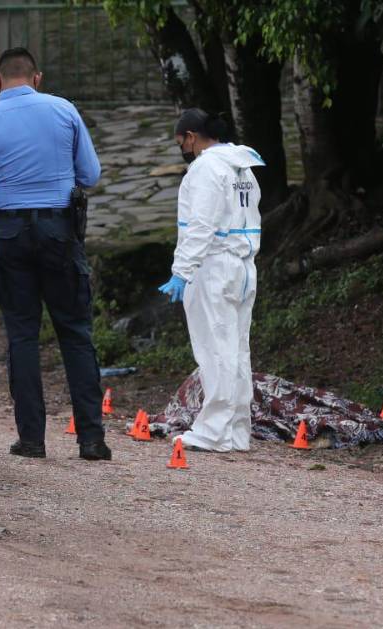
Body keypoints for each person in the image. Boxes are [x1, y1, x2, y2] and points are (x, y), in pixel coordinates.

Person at [0, 47, 110, 461]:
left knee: (22, 335)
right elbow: (91, 174)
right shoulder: (64, 111)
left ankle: (31, 439)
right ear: (37, 77)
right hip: (59, 230)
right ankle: (91, 439)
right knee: (75, 332)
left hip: (11, 232)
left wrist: (8, 193)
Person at [157, 109, 264, 453]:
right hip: (243, 266)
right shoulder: (242, 165)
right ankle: (236, 431)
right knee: (237, 350)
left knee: (215, 349)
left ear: (191, 137)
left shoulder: (205, 168)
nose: (183, 150)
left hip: (214, 267)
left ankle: (213, 432)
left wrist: (182, 271)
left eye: (181, 143)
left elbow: (201, 225)